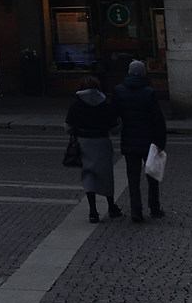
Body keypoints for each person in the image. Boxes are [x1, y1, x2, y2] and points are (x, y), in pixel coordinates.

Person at [114, 58, 167, 222]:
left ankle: (136, 211)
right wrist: (160, 143)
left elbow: (114, 115)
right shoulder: (148, 92)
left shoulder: (119, 91)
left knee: (133, 178)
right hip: (148, 141)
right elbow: (158, 120)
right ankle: (154, 208)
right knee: (152, 176)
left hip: (129, 140)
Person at [66, 76, 119, 223]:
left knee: (88, 175)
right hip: (102, 142)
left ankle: (93, 210)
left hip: (84, 143)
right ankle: (111, 205)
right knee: (106, 175)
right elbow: (114, 128)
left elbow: (68, 127)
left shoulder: (76, 104)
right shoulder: (104, 105)